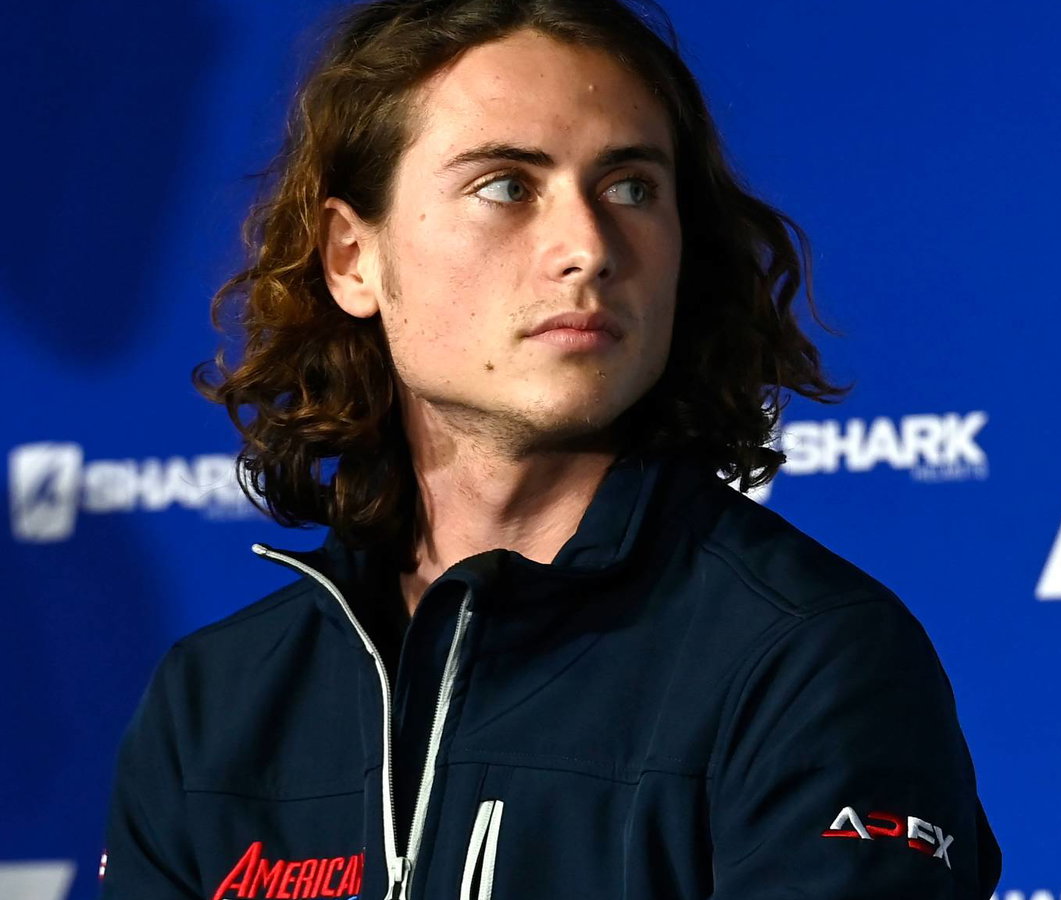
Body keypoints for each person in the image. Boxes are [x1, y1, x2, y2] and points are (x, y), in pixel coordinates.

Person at [102, 0, 1001, 897]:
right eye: (506, 186)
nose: (588, 247)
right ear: (352, 258)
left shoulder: (808, 660)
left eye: (631, 188)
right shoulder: (210, 708)